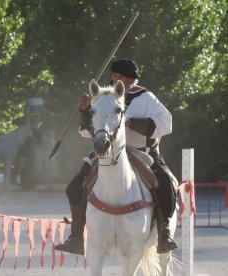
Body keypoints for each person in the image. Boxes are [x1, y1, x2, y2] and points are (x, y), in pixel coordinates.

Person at [55, 58, 178, 255]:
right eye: (113, 76)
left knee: (165, 183)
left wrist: (130, 123)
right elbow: (88, 131)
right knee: (75, 187)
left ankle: (164, 234)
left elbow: (166, 123)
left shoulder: (146, 98)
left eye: (119, 76)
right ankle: (76, 236)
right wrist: (84, 110)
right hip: (107, 151)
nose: (114, 80)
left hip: (142, 151)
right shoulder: (104, 97)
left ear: (131, 79)